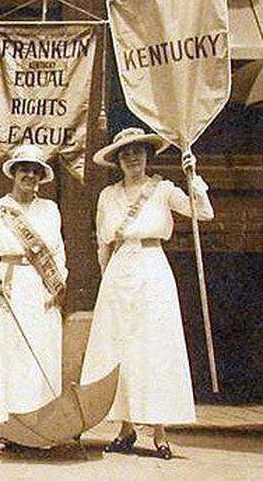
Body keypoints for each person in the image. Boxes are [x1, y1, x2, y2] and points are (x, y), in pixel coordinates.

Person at [82, 128, 213, 460]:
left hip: (153, 268)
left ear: (147, 155)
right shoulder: (108, 196)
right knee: (120, 347)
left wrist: (193, 176)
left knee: (154, 346)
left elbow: (204, 212)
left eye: (138, 151)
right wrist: (106, 277)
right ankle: (125, 428)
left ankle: (159, 432)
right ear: (117, 160)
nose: (132, 158)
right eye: (125, 154)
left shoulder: (162, 189)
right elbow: (102, 243)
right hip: (119, 269)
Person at [0, 144, 67, 448]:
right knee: (8, 355)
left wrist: (59, 283)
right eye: (24, 169)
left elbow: (58, 250)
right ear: (13, 173)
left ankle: (38, 426)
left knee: (40, 351)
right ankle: (8, 427)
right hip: (8, 284)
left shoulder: (49, 209)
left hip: (41, 287)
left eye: (35, 171)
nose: (30, 175)